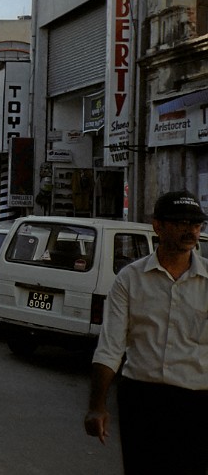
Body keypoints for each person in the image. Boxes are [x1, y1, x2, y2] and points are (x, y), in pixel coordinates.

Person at [84, 190, 208, 474]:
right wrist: (97, 406)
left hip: (197, 402)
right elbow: (111, 347)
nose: (190, 230)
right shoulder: (130, 279)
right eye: (180, 222)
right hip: (142, 399)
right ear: (158, 225)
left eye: (196, 223)